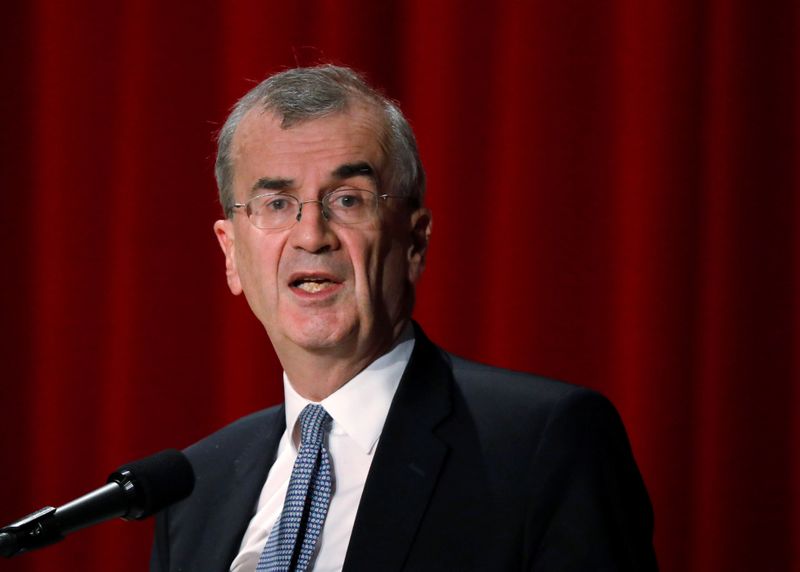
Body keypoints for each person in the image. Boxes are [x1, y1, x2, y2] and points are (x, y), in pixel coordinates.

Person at [150, 64, 657, 571]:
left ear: (414, 241)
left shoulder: (540, 445)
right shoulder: (195, 491)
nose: (311, 236)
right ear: (231, 253)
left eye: (348, 200)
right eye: (277, 203)